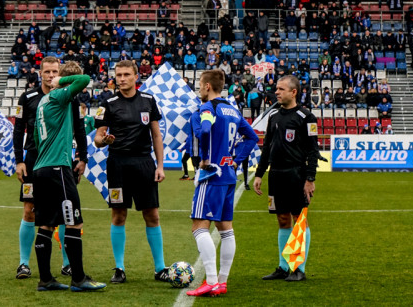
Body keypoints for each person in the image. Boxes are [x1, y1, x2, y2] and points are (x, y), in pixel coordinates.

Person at [18, 61, 105, 292]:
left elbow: (36, 137)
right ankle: (78, 279)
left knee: (46, 224)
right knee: (74, 222)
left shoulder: (43, 102)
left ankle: (45, 279)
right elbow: (85, 80)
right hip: (58, 168)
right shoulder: (59, 96)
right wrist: (62, 81)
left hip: (41, 168)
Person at [93, 60, 170, 284]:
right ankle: (119, 268)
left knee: (152, 215)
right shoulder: (107, 103)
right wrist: (103, 140)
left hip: (144, 164)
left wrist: (160, 166)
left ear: (136, 76)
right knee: (118, 215)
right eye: (118, 75)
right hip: (117, 164)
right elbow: (98, 137)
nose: (122, 78)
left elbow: (156, 135)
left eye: (127, 74)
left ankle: (160, 268)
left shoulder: (148, 101)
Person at [186, 70, 259, 297]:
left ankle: (210, 280)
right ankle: (222, 281)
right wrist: (236, 161)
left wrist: (206, 157)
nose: (199, 88)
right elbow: (253, 138)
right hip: (228, 174)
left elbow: (205, 129)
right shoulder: (233, 110)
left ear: (208, 86)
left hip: (212, 174)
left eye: (200, 84)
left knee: (199, 226)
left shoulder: (209, 108)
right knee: (225, 229)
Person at [253, 75, 321, 282]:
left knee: (299, 220)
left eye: (281, 89)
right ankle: (283, 267)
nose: (277, 92)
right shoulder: (273, 116)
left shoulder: (306, 117)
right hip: (276, 175)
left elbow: (312, 150)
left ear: (294, 92)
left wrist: (310, 178)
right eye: (276, 89)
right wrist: (259, 173)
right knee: (282, 220)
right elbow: (267, 148)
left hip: (296, 174)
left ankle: (299, 268)